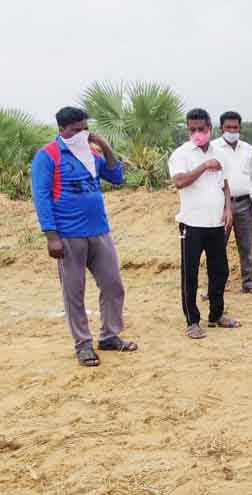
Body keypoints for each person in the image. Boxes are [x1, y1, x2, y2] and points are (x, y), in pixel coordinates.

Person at [31, 106, 136, 366]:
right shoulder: (48, 155)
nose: (81, 134)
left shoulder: (89, 152)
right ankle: (83, 344)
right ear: (62, 129)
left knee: (113, 284)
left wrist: (104, 146)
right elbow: (41, 197)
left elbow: (116, 177)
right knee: (74, 292)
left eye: (84, 129)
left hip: (99, 231)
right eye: (75, 130)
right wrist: (51, 236)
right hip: (67, 235)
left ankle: (110, 336)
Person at [168, 108, 240, 339]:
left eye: (201, 129)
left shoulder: (220, 151)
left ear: (210, 128)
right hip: (192, 223)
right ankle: (192, 321)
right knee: (190, 273)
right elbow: (180, 182)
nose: (197, 133)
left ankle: (217, 315)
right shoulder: (182, 154)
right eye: (193, 130)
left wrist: (228, 208)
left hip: (216, 223)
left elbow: (225, 183)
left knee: (220, 271)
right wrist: (204, 166)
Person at [206, 111, 252, 295]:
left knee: (246, 246)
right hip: (221, 204)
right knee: (217, 247)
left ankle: (247, 282)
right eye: (228, 127)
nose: (232, 130)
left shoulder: (247, 149)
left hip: (245, 204)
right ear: (221, 128)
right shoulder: (212, 148)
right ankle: (213, 286)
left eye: (235, 127)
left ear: (240, 128)